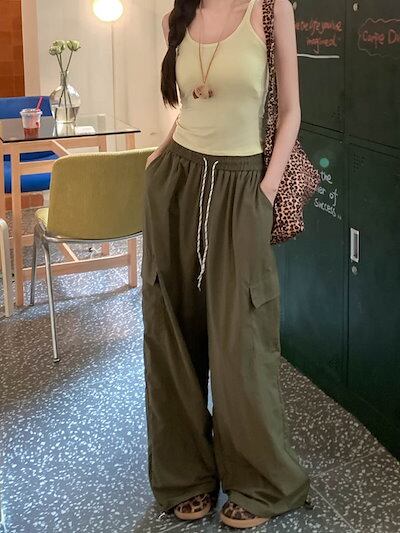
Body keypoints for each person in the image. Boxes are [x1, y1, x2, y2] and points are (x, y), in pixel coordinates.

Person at [140, 0, 311, 528]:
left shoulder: (270, 10)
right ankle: (186, 476)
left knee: (243, 339)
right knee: (172, 331)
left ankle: (261, 481)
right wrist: (159, 155)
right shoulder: (174, 19)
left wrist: (265, 191)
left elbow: (290, 112)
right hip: (178, 181)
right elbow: (190, 107)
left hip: (243, 186)